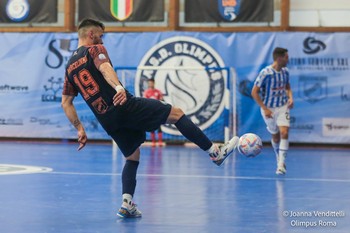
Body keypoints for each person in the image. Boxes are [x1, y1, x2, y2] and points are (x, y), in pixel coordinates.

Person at [61, 18, 239, 219]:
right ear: (91, 35)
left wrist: (79, 128)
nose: (103, 40)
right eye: (101, 36)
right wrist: (118, 87)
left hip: (107, 120)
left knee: (132, 155)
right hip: (123, 105)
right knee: (177, 113)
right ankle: (215, 151)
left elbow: (66, 102)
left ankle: (127, 203)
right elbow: (105, 68)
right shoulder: (94, 49)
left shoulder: (69, 68)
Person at [251, 47, 294, 175]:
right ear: (279, 58)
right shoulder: (266, 73)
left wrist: (290, 97)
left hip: (282, 106)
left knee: (284, 133)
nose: (288, 59)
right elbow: (254, 92)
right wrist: (265, 108)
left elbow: (287, 86)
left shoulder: (285, 72)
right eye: (286, 57)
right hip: (269, 108)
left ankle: (281, 164)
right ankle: (278, 155)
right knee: (275, 136)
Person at [143, 78, 164, 147]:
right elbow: (145, 102)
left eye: (151, 83)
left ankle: (160, 142)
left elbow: (161, 101)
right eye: (149, 83)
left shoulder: (158, 92)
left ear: (154, 83)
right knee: (152, 127)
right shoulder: (146, 92)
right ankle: (153, 142)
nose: (150, 84)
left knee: (159, 127)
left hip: (157, 112)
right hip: (150, 112)